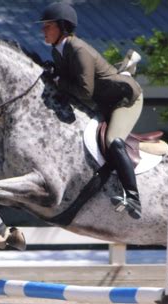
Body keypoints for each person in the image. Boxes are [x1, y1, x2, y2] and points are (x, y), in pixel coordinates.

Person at [38, 2, 143, 219]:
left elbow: (84, 91)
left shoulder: (78, 49)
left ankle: (133, 197)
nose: (43, 30)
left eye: (48, 26)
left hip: (125, 99)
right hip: (104, 101)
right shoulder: (58, 50)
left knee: (113, 140)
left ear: (62, 27)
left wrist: (57, 79)